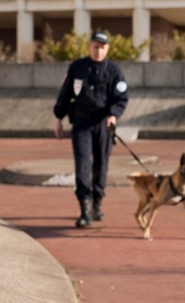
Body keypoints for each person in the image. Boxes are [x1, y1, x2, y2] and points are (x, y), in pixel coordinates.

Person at [53, 30, 128, 228]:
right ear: (90, 46)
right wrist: (58, 118)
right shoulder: (78, 67)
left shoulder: (114, 71)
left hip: (103, 124)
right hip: (81, 124)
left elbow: (121, 98)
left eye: (102, 47)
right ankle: (84, 209)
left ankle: (97, 203)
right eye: (95, 46)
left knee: (101, 166)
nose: (99, 50)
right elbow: (65, 94)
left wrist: (113, 114)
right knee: (83, 165)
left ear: (107, 48)